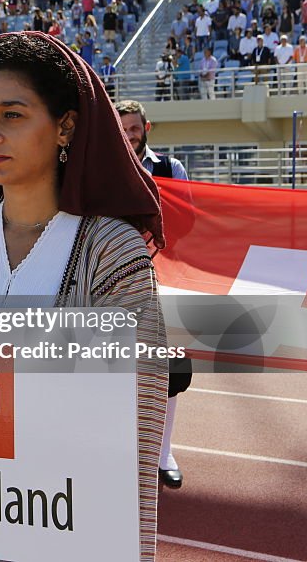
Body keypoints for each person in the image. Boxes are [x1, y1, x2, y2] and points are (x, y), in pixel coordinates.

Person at [0, 33, 167, 561]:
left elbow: (135, 396)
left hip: (60, 523)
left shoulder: (110, 250)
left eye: (13, 115)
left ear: (66, 127)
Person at [114, 99, 190, 491]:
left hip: (162, 280)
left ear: (147, 127)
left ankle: (163, 454)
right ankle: (121, 452)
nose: (129, 134)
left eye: (134, 127)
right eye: (122, 128)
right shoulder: (105, 168)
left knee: (170, 369)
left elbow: (187, 219)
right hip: (116, 282)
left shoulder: (169, 168)